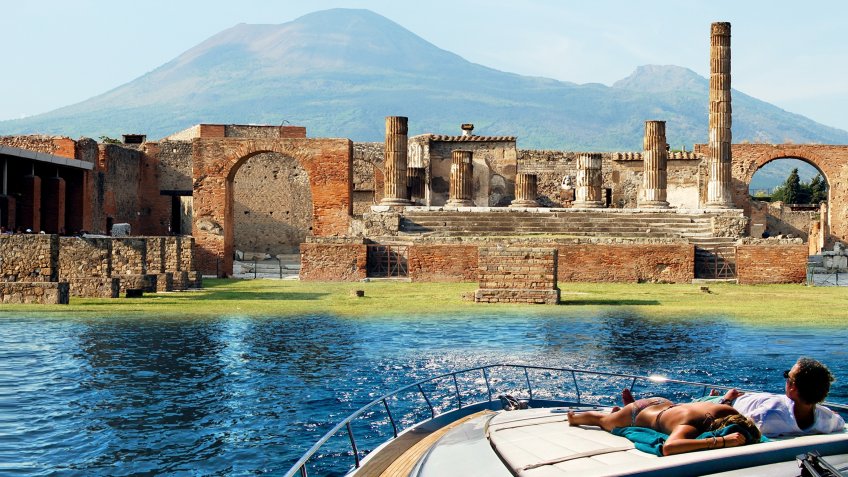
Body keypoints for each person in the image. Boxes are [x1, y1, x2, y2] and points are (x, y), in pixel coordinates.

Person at [567, 399, 761, 456]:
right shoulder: (691, 426)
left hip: (663, 403)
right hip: (637, 413)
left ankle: (620, 411)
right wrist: (721, 441)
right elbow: (669, 447)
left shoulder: (726, 407)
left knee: (613, 417)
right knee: (602, 421)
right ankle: (574, 417)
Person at [717, 357, 844, 437]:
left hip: (727, 403)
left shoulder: (767, 416)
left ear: (793, 386)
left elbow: (723, 422)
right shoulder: (828, 419)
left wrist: (726, 400)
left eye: (787, 376)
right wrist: (826, 411)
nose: (786, 378)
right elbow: (839, 420)